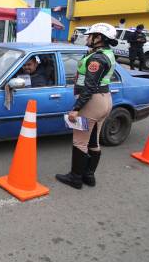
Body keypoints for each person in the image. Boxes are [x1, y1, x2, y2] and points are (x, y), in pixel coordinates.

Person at [56, 22, 118, 189]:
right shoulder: (106, 53)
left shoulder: (96, 59)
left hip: (92, 101)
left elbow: (89, 86)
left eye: (90, 35)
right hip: (105, 99)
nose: (87, 38)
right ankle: (89, 176)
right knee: (93, 141)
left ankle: (75, 178)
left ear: (99, 38)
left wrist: (76, 109)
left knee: (80, 141)